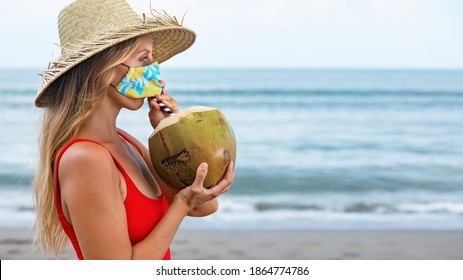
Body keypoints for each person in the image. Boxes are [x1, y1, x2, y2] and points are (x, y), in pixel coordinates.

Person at [32, 0, 234, 260]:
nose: (154, 69)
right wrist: (181, 206)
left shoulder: (127, 143)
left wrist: (169, 132)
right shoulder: (86, 159)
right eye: (143, 58)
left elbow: (204, 205)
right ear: (103, 70)